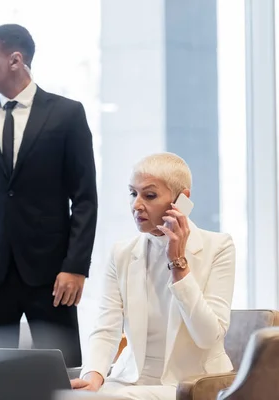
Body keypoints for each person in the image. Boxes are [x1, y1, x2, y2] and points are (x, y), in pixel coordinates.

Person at [0, 24, 98, 366]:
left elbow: (85, 197)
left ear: (15, 60)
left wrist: (76, 267)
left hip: (52, 274)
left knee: (63, 373)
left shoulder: (67, 115)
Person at [70, 153, 235, 400]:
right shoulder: (122, 253)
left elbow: (207, 336)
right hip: (128, 381)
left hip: (191, 383)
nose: (136, 205)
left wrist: (178, 263)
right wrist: (93, 376)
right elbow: (107, 328)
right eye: (132, 193)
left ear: (181, 200)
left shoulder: (219, 247)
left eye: (149, 195)